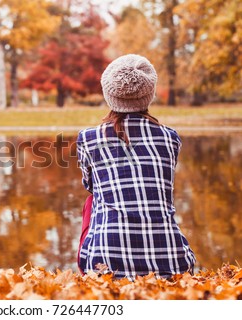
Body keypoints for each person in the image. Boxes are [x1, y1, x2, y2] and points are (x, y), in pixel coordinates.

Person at [76, 54, 196, 279]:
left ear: (108, 94)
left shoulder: (88, 138)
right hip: (172, 262)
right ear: (149, 94)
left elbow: (90, 186)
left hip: (105, 264)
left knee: (92, 201)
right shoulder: (169, 138)